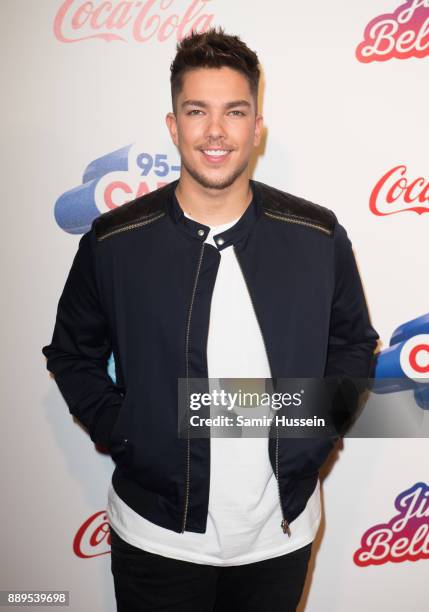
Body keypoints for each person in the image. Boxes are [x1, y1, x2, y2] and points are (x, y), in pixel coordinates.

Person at [42, 27, 379, 612]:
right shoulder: (115, 242)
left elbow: (353, 345)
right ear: (173, 125)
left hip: (281, 535)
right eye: (197, 111)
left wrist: (314, 434)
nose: (216, 131)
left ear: (256, 127)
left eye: (234, 112)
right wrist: (129, 432)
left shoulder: (317, 236)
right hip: (156, 538)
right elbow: (72, 355)